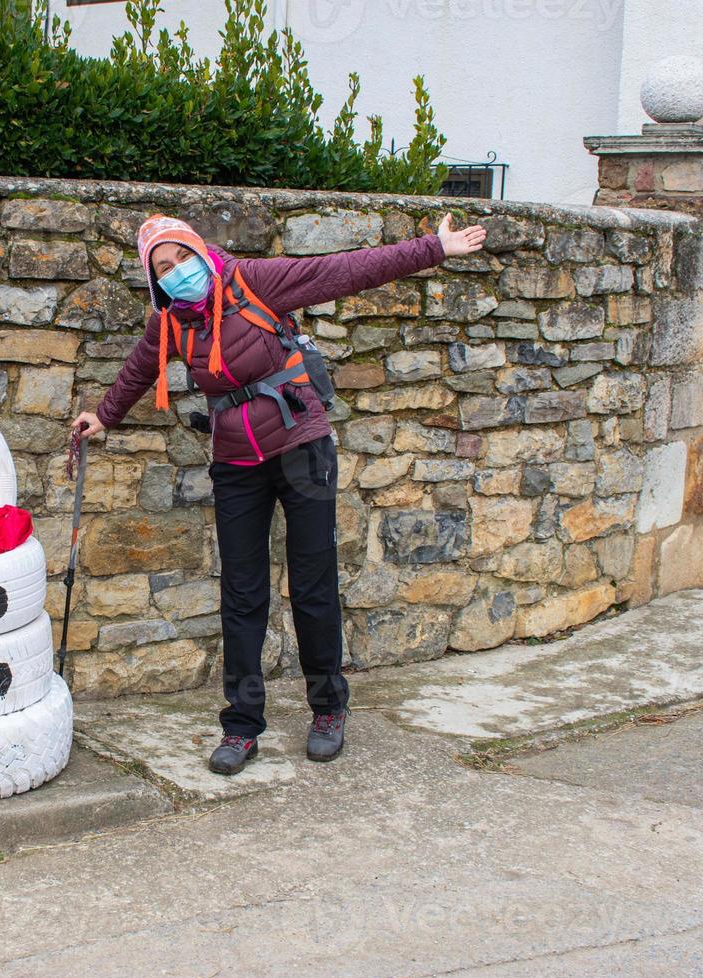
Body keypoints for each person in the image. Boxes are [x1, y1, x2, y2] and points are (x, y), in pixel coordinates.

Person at [71, 211, 488, 774]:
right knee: (244, 595)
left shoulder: (252, 281)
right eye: (162, 269)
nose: (176, 274)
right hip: (236, 461)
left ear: (200, 251)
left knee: (313, 582)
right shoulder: (170, 322)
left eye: (181, 259)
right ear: (155, 280)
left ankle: (328, 709)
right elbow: (139, 370)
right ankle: (241, 728)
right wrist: (103, 417)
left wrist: (433, 248)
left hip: (300, 447)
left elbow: (345, 271)